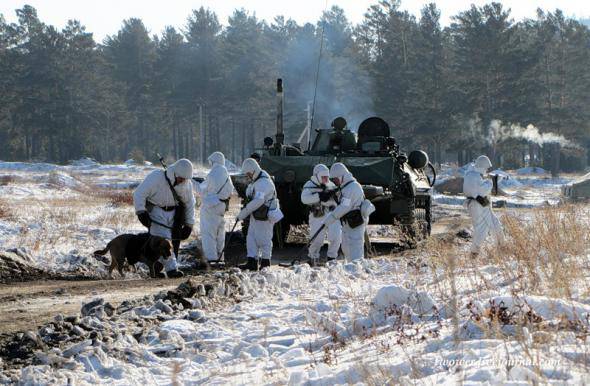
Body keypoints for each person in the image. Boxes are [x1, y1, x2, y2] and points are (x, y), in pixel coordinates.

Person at [133, 158, 195, 278]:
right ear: (175, 173)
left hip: (174, 214)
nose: (182, 181)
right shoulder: (156, 177)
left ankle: (156, 267)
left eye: (185, 179)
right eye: (181, 178)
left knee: (173, 242)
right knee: (164, 241)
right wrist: (141, 212)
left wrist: (189, 224)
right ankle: (171, 269)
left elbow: (189, 204)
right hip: (156, 211)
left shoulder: (187, 184)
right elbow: (139, 194)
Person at [323, 163, 373, 261]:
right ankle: (350, 269)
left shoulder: (352, 187)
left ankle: (356, 270)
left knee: (355, 249)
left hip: (355, 223)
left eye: (336, 179)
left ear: (342, 176)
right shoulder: (345, 187)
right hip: (348, 223)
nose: (335, 181)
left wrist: (330, 219)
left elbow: (344, 207)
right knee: (346, 248)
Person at [237, 158, 279, 271]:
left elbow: (258, 201)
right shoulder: (256, 180)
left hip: (265, 215)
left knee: (264, 239)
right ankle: (252, 261)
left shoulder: (264, 182)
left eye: (249, 173)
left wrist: (244, 212)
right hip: (257, 215)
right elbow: (250, 194)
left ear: (254, 170)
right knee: (251, 237)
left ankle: (265, 263)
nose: (248, 176)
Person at [196, 152, 234, 266]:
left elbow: (202, 189)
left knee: (209, 234)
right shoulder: (226, 174)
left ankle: (211, 259)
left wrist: (191, 182)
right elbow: (229, 191)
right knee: (220, 234)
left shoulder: (213, 173)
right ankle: (220, 258)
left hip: (210, 208)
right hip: (221, 208)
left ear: (214, 161)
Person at [463, 155, 504, 257]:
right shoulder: (472, 176)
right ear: (482, 166)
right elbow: (481, 191)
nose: (486, 170)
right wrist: (491, 182)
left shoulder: (474, 175)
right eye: (486, 168)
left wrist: (494, 181)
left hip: (483, 205)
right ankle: (474, 253)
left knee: (496, 225)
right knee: (482, 229)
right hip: (477, 205)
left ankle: (502, 248)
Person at [300, 164, 342, 266]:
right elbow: (304, 199)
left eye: (327, 177)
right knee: (317, 239)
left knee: (336, 236)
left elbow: (339, 198)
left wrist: (334, 195)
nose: (325, 179)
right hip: (317, 214)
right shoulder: (309, 185)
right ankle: (313, 258)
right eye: (323, 177)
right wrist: (319, 196)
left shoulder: (331, 185)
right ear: (317, 176)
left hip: (332, 213)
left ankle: (332, 258)